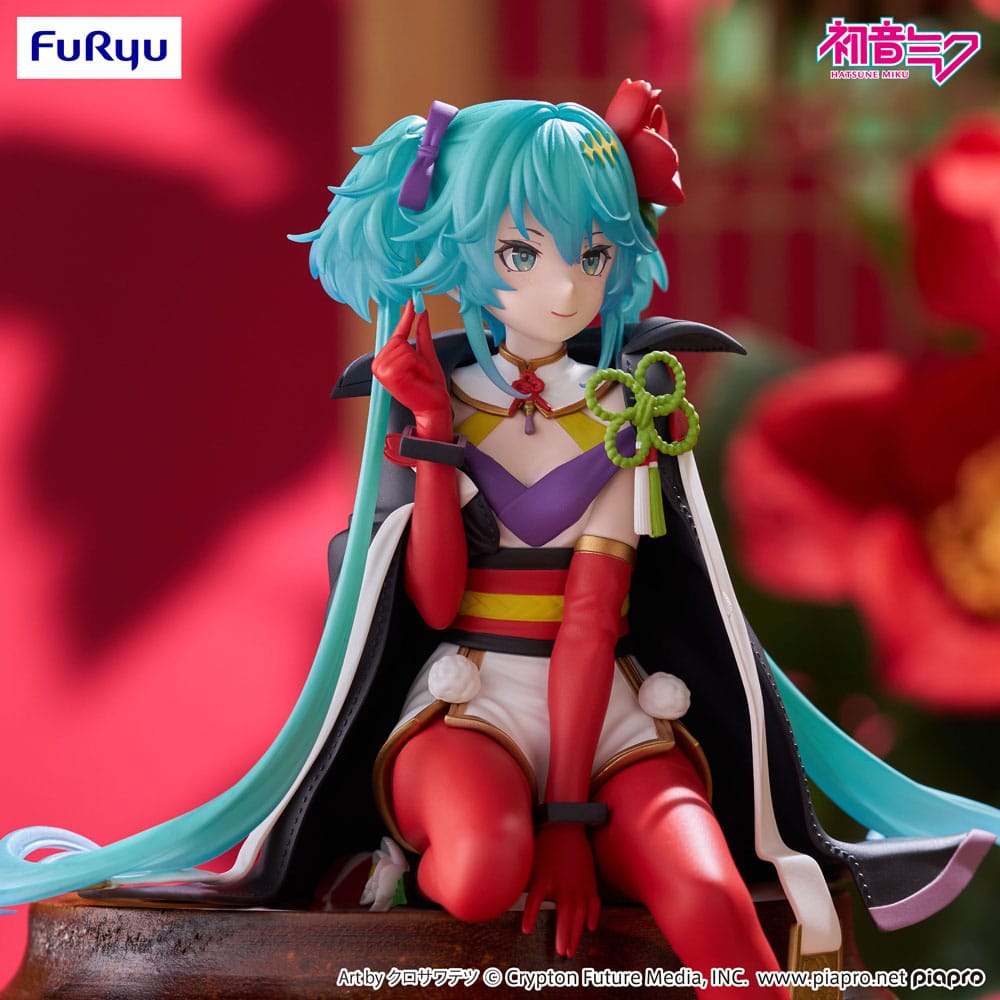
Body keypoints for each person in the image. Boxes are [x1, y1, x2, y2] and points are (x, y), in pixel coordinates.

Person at [1, 81, 996, 996]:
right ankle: (386, 862)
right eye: (525, 253)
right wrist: (434, 434)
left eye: (591, 255)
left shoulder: (625, 404)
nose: (564, 288)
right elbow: (434, 601)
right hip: (470, 700)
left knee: (708, 893)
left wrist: (571, 818)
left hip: (610, 706)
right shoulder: (430, 396)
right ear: (466, 251)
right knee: (480, 872)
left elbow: (593, 619)